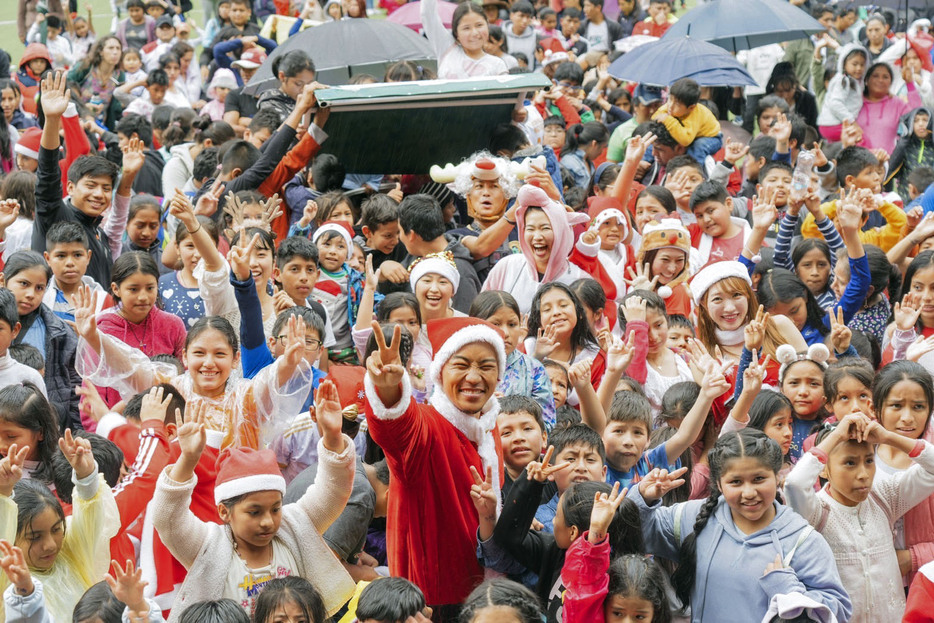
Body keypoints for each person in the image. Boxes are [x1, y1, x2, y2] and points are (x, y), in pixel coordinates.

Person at [150, 385, 355, 619]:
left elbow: (334, 490)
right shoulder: (208, 546)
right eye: (254, 512)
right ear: (224, 512)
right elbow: (167, 519)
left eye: (275, 509)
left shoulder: (295, 526)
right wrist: (187, 460)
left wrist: (332, 437)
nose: (268, 521)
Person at [627, 429, 852, 623]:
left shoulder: (802, 540)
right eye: (736, 482)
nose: (749, 493)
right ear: (718, 484)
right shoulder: (692, 516)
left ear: (777, 477)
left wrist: (790, 593)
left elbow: (838, 610)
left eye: (759, 479)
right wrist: (642, 498)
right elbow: (639, 535)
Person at [363, 317, 507, 612]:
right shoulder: (427, 424)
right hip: (433, 601)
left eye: (486, 366)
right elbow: (398, 428)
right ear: (440, 372)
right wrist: (389, 390)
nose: (474, 377)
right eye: (462, 365)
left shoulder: (488, 427)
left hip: (484, 593)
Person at [784, 410, 934, 623]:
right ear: (824, 470)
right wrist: (836, 436)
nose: (863, 474)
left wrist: (887, 437)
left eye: (869, 461)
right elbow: (794, 484)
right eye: (850, 463)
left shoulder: (884, 498)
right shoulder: (816, 511)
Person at [33, 71, 144, 286]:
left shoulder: (98, 232)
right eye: (91, 185)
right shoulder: (55, 215)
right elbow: (47, 175)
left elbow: (118, 222)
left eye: (105, 188)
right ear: (71, 187)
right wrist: (53, 120)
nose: (98, 194)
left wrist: (128, 176)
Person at [0, 429, 119, 621]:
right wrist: (3, 493)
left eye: (56, 529)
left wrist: (86, 477)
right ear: (11, 535)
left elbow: (90, 517)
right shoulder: (8, 576)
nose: (51, 545)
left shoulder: (69, 553)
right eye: (34, 536)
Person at [421, 0, 508, 79]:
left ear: (487, 25)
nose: (474, 33)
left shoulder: (497, 65)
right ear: (456, 32)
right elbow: (428, 13)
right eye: (466, 28)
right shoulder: (447, 48)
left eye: (479, 25)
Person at [651, 78, 722, 163]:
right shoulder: (670, 107)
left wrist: (669, 120)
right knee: (654, 142)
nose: (670, 105)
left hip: (711, 137)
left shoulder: (695, 115)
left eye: (677, 103)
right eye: (670, 99)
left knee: (697, 148)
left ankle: (693, 172)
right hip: (693, 134)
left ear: (691, 108)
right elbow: (655, 118)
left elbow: (685, 140)